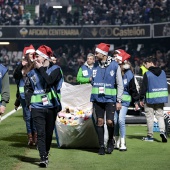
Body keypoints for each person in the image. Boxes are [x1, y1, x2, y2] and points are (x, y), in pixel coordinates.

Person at [24, 45, 63, 167]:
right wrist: (29, 103)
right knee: (40, 133)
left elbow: (49, 80)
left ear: (45, 58)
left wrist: (41, 69)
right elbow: (29, 89)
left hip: (51, 107)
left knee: (48, 133)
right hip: (37, 107)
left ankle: (46, 151)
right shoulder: (31, 73)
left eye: (38, 56)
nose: (35, 58)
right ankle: (43, 157)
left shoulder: (56, 69)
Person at [90, 43, 124, 155]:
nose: (95, 55)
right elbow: (93, 80)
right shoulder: (95, 65)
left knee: (110, 121)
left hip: (110, 99)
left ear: (104, 54)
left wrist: (119, 100)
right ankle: (101, 146)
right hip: (97, 99)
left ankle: (110, 140)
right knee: (100, 122)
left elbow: (120, 84)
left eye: (97, 53)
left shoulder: (115, 65)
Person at [113, 49, 140, 151]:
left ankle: (123, 143)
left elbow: (133, 88)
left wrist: (136, 101)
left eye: (116, 56)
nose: (114, 58)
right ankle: (116, 141)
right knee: (115, 121)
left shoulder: (129, 73)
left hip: (125, 101)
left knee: (120, 120)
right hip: (114, 100)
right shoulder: (113, 70)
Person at [140, 56, 168, 142]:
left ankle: (150, 136)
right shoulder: (163, 72)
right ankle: (163, 131)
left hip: (150, 100)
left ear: (150, 63)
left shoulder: (147, 74)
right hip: (161, 98)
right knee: (160, 116)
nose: (145, 66)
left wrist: (141, 99)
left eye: (146, 64)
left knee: (150, 117)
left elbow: (143, 88)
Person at [13, 44, 37, 146]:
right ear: (27, 55)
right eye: (31, 54)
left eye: (34, 54)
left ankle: (36, 137)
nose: (33, 55)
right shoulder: (21, 64)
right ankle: (30, 138)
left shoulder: (36, 65)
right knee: (27, 117)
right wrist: (21, 66)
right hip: (23, 95)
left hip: (34, 94)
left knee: (34, 116)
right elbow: (16, 76)